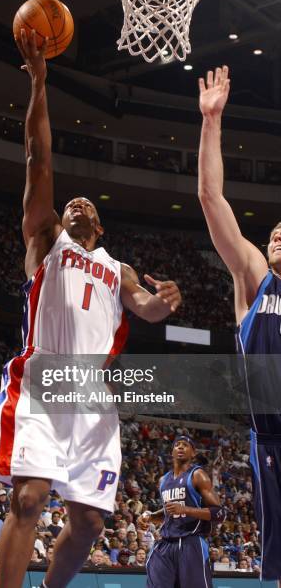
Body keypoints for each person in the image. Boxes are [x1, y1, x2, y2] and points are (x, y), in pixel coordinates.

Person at [0, 29, 182, 588]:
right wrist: (40, 85)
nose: (77, 203)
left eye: (87, 204)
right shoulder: (46, 239)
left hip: (92, 393)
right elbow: (37, 160)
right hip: (45, 375)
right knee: (29, 497)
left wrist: (164, 302)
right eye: (72, 201)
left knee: (91, 524)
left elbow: (144, 308)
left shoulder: (119, 269)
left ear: (100, 225)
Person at [198, 65, 281, 585]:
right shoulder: (255, 278)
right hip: (272, 439)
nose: (277, 236)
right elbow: (212, 199)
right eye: (274, 232)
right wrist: (211, 122)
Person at [145, 436, 226, 587]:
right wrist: (150, 517)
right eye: (177, 445)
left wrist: (186, 510)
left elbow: (219, 514)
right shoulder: (163, 480)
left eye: (185, 445)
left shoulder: (198, 475)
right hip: (165, 543)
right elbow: (169, 512)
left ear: (193, 453)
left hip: (191, 542)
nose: (181, 447)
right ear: (172, 452)